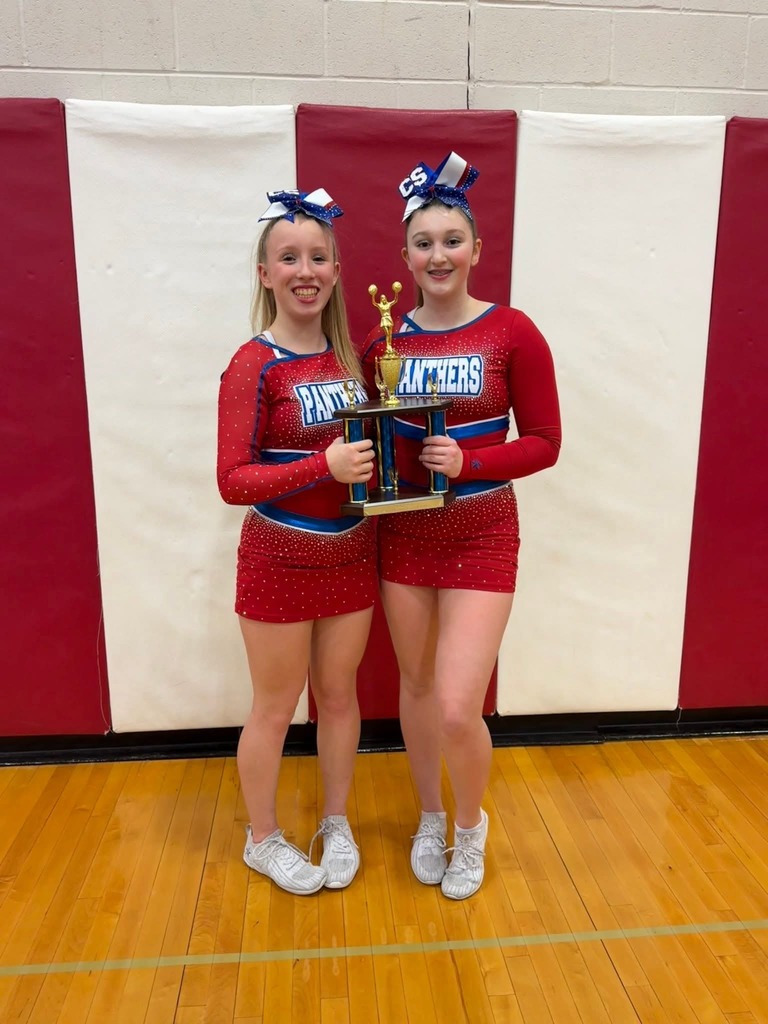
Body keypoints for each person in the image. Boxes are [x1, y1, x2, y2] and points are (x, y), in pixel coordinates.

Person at [361, 152, 562, 900]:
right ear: (405, 255)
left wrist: (470, 464)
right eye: (424, 242)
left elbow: (545, 441)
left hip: (482, 527)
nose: (437, 254)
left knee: (455, 702)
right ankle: (430, 814)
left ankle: (471, 829)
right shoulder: (384, 343)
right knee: (415, 685)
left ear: (476, 249)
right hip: (405, 533)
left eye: (452, 240)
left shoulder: (513, 331)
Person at [217, 188, 376, 895]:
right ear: (265, 273)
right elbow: (231, 479)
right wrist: (322, 466)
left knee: (338, 698)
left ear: (337, 270)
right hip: (279, 554)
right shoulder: (254, 363)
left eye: (317, 257)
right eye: (289, 258)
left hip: (349, 552)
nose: (304, 270)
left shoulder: (356, 359)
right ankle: (262, 839)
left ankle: (335, 821)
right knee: (276, 709)